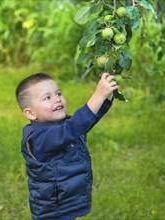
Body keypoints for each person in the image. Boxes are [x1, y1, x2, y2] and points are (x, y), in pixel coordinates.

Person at [16, 72, 118, 220]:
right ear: (30, 113)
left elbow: (84, 122)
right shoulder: (38, 138)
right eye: (47, 97)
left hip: (66, 202)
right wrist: (98, 95)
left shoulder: (62, 126)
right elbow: (74, 126)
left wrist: (106, 96)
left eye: (58, 93)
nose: (57, 99)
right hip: (53, 209)